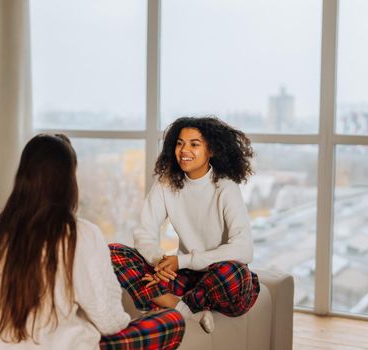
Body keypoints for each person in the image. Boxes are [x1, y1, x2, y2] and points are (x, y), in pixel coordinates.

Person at [0, 134, 184, 350]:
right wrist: (141, 317)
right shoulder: (78, 233)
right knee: (172, 320)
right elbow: (109, 320)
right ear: (67, 179)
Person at [109, 116, 260, 333]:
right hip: (186, 279)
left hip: (218, 277)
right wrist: (160, 262)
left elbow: (244, 250)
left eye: (194, 144)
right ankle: (186, 309)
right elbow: (145, 233)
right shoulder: (166, 183)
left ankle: (176, 305)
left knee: (234, 273)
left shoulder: (226, 187)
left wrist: (181, 261)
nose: (184, 150)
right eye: (180, 143)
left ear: (212, 150)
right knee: (113, 252)